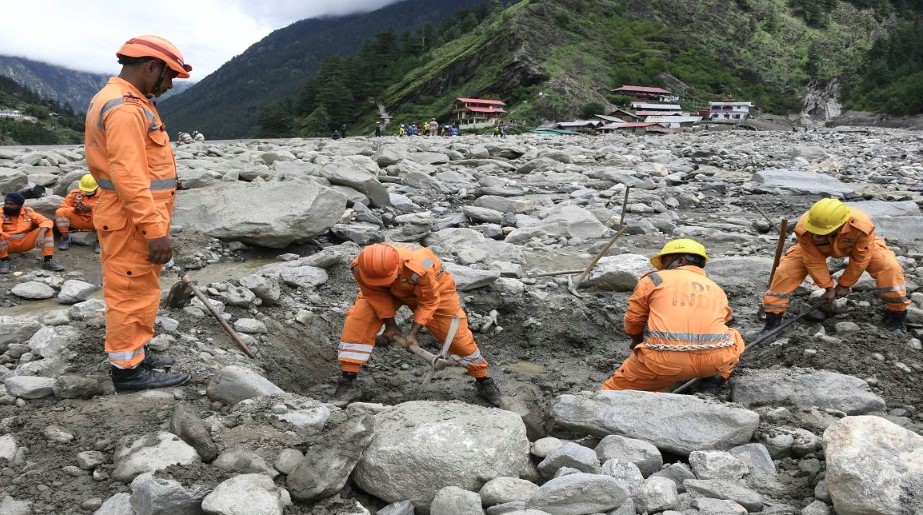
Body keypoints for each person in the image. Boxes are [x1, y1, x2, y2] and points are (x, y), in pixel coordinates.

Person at [84, 34, 193, 392]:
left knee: (141, 286)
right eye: (169, 76)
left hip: (131, 214)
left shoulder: (125, 100)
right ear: (151, 68)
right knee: (129, 290)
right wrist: (154, 229)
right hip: (131, 217)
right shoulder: (126, 108)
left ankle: (136, 353)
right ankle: (128, 372)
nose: (170, 85)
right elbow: (129, 175)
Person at [330, 242, 504, 407]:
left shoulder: (422, 265)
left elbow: (428, 302)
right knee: (357, 323)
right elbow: (375, 294)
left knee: (458, 340)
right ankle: (348, 381)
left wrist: (412, 334)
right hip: (386, 293)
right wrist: (390, 325)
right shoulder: (361, 267)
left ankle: (483, 380)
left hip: (435, 289)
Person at [602, 239, 744, 392]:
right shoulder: (716, 288)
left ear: (680, 260)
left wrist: (636, 340)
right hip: (716, 360)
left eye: (664, 262)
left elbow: (634, 319)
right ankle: (713, 381)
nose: (662, 267)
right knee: (734, 337)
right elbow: (725, 319)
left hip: (662, 362)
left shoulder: (655, 279)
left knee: (610, 392)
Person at [762, 198, 910, 333]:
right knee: (785, 271)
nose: (817, 236)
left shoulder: (861, 226)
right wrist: (827, 287)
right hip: (815, 250)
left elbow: (860, 260)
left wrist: (844, 284)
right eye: (815, 232)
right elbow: (813, 260)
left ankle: (896, 315)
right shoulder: (805, 228)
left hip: (859, 246)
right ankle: (773, 320)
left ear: (840, 225)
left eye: (821, 233)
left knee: (889, 267)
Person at [0, 192, 65, 274]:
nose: (7, 206)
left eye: (11, 204)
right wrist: (5, 236)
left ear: (20, 206)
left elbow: (46, 221)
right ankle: (4, 261)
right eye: (6, 203)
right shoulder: (1, 213)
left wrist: (41, 234)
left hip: (24, 242)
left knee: (46, 229)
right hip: (6, 244)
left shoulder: (27, 211)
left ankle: (48, 260)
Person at [56, 174, 101, 253]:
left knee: (103, 216)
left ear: (97, 187)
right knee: (60, 212)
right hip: (78, 219)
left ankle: (99, 242)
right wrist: (75, 209)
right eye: (85, 190)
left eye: (89, 190)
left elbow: (109, 212)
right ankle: (65, 238)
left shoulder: (104, 195)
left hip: (94, 222)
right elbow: (63, 207)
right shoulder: (75, 194)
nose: (86, 192)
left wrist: (91, 210)